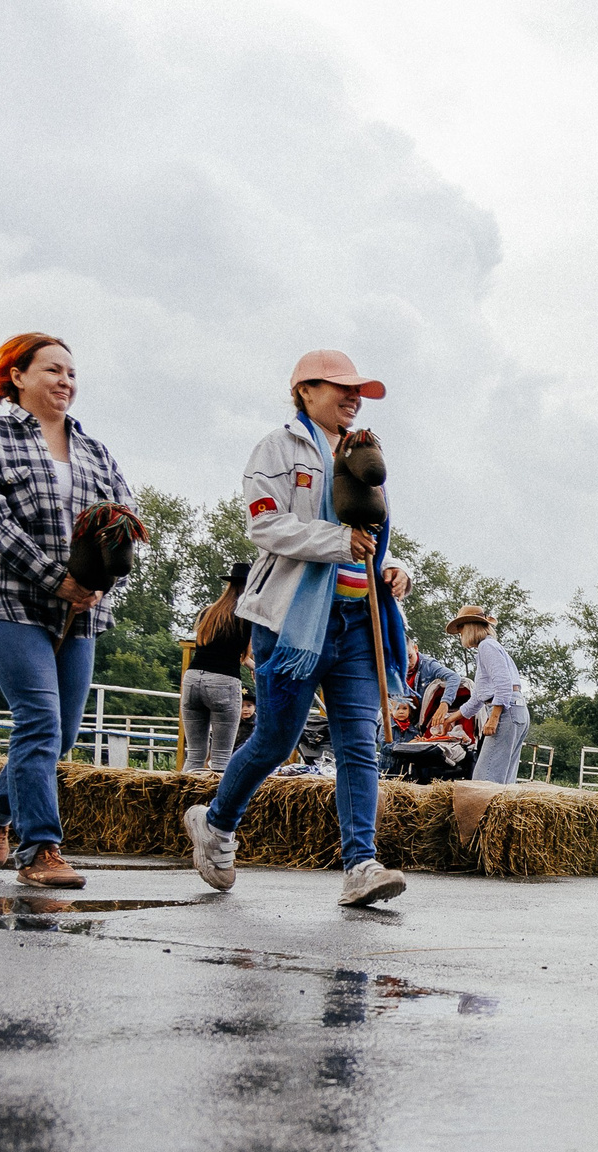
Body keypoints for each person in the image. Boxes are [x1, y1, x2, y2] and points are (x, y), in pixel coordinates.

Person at [183, 350, 414, 908]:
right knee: (275, 739)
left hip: (359, 622)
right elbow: (265, 524)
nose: (354, 398)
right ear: (305, 391)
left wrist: (396, 567)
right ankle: (215, 823)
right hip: (290, 621)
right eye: (342, 387)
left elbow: (376, 534)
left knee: (359, 744)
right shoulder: (277, 448)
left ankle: (361, 864)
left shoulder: (365, 453)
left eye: (360, 390)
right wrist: (336, 543)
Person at [0, 332, 138, 889]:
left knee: (61, 735)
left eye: (72, 374)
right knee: (37, 718)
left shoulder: (96, 452)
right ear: (17, 376)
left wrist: (101, 580)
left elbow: (125, 519)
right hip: (5, 599)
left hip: (80, 609)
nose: (65, 382)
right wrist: (54, 578)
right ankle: (40, 849)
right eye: (53, 370)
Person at [445, 606, 527, 784]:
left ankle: (483, 812)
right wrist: (450, 719)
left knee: (485, 777)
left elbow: (503, 684)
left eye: (460, 631)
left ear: (469, 628)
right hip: (516, 708)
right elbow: (478, 698)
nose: (460, 637)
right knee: (503, 776)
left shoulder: (486, 647)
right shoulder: (491, 647)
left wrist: (494, 718)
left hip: (506, 710)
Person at [182, 564, 251, 773]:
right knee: (221, 757)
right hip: (223, 682)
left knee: (194, 754)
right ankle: (217, 805)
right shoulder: (245, 615)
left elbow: (215, 648)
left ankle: (182, 802)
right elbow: (241, 651)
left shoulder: (208, 613)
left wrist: (250, 665)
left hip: (193, 679)